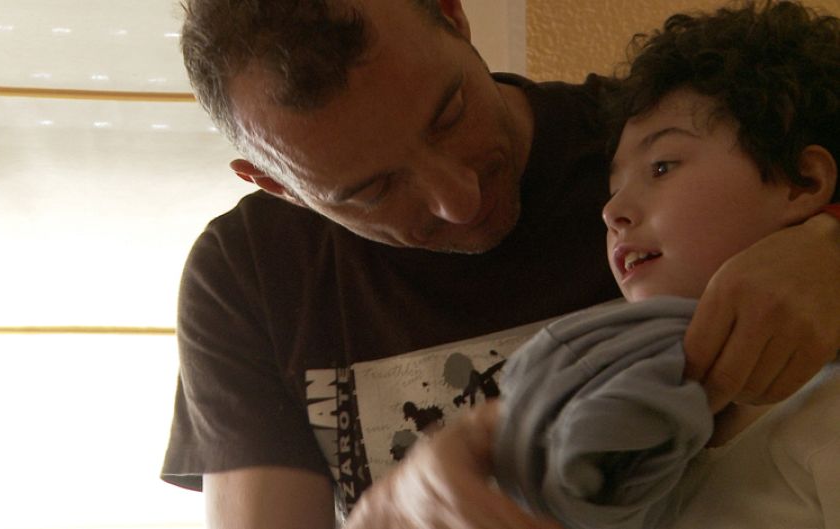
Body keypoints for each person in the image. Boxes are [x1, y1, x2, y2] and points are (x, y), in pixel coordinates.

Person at [161, 1, 840, 528]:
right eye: (371, 190)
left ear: (454, 16)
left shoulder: (643, 136)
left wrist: (830, 245)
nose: (458, 200)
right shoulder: (248, 274)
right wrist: (392, 507)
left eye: (449, 114)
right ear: (275, 183)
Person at [493, 2, 840, 528]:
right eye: (613, 188)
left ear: (804, 183)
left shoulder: (826, 418)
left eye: (662, 166)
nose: (612, 211)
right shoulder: (646, 445)